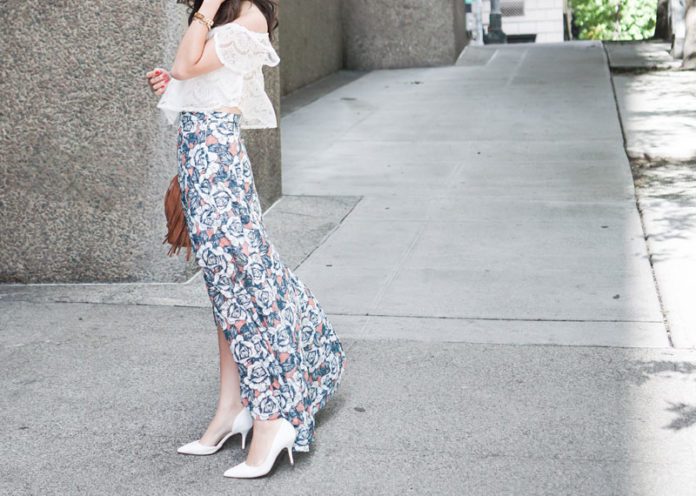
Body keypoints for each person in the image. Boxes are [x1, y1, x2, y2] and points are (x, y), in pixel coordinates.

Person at [145, 0, 346, 479]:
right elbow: (190, 79)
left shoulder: (250, 15)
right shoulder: (220, 17)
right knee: (223, 288)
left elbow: (186, 64)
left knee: (246, 280)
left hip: (218, 164)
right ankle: (230, 409)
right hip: (198, 162)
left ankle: (274, 416)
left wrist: (203, 18)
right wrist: (173, 84)